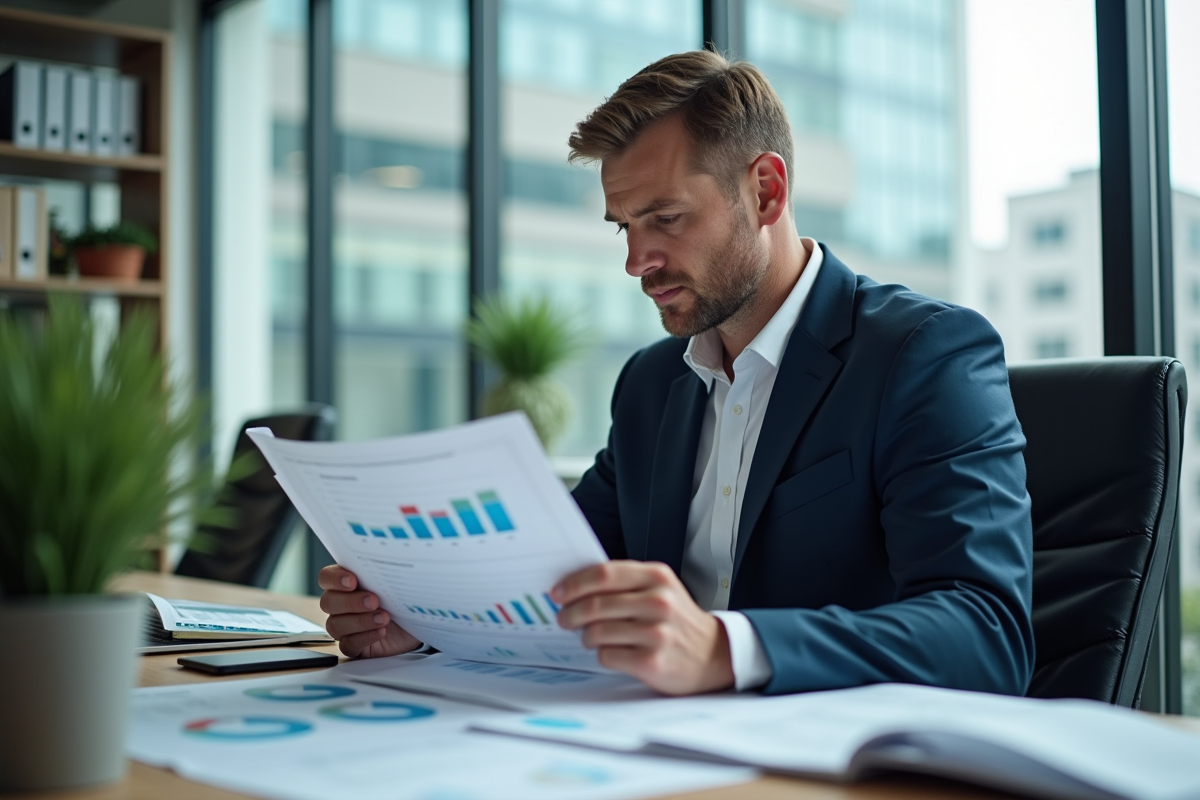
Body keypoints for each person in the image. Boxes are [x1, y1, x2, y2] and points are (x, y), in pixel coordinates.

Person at [319, 50, 1035, 698]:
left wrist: (726, 648)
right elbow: (551, 575)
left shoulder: (925, 353)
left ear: (766, 192)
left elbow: (986, 634)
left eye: (665, 218)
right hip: (650, 744)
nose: (637, 261)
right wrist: (419, 621)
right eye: (624, 226)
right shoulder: (650, 384)